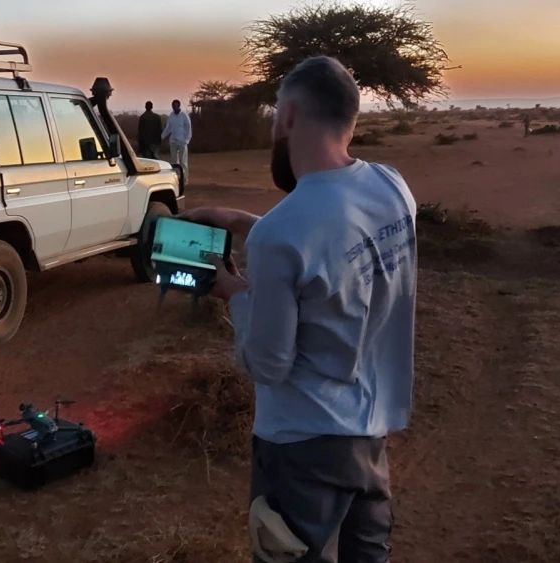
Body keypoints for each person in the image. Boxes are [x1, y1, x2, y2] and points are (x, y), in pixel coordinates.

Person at [183, 56, 417, 563]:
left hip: (303, 448)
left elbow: (268, 363)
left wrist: (234, 293)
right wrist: (248, 222)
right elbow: (334, 239)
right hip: (370, 440)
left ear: (288, 116)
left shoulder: (282, 234)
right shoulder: (392, 187)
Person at [161, 99, 192, 177]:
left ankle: (184, 179)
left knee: (183, 162)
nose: (173, 108)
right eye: (172, 106)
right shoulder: (171, 115)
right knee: (174, 161)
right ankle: (176, 178)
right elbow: (168, 128)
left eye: (175, 106)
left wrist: (186, 140)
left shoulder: (184, 116)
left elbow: (188, 129)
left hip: (182, 141)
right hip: (173, 141)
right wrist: (161, 136)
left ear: (178, 106)